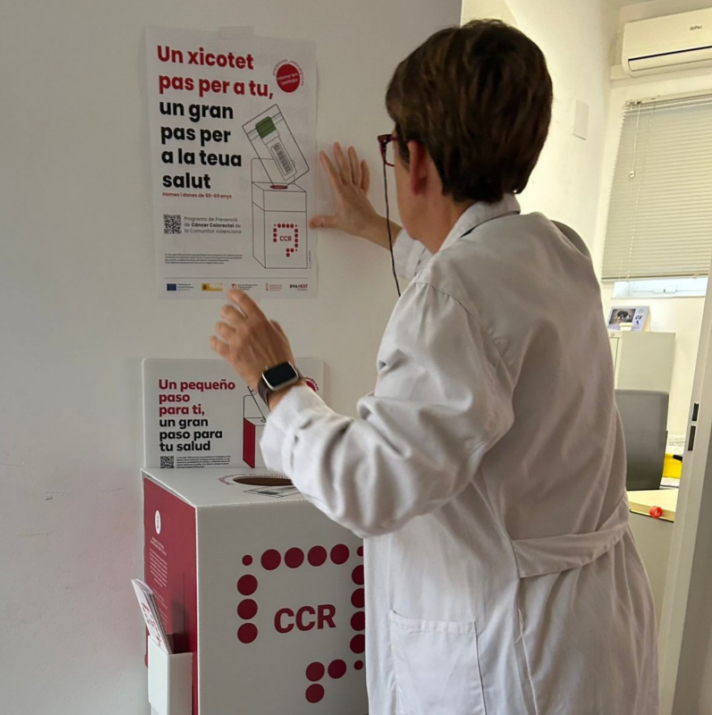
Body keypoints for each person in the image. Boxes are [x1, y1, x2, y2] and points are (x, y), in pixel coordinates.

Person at [211, 20, 658, 715]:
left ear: (414, 160)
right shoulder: (555, 250)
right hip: (590, 628)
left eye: (392, 149)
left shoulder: (454, 298)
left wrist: (276, 381)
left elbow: (370, 486)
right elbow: (472, 279)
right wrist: (371, 224)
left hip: (513, 648)